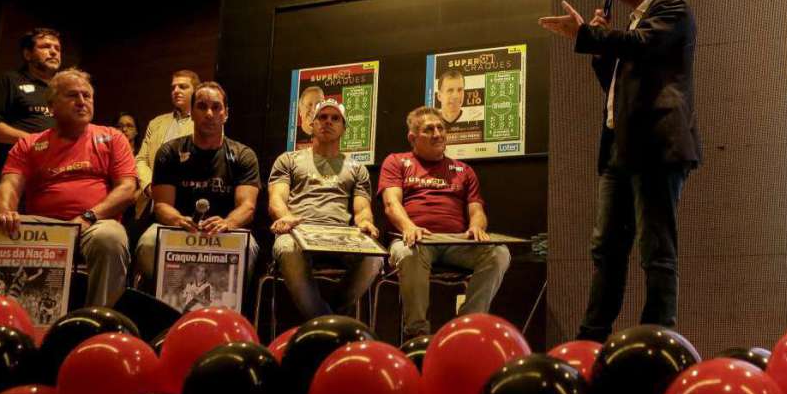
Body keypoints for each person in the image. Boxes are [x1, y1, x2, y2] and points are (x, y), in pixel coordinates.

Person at [539, 0, 701, 342]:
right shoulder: (628, 27)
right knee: (606, 249)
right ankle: (591, 338)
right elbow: (613, 83)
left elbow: (642, 46)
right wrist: (596, 42)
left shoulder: (671, 7)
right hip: (619, 148)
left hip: (656, 146)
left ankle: (656, 337)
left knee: (655, 247)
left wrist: (591, 35)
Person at [0, 68, 136, 307]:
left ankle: (97, 319)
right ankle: (7, 316)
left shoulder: (112, 137)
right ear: (51, 106)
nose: (82, 102)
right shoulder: (30, 144)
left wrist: (88, 216)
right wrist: (5, 211)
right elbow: (9, 185)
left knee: (110, 237)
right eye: (72, 95)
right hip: (44, 226)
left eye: (87, 96)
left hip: (93, 225)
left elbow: (127, 188)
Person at [378, 106, 510, 338]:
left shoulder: (463, 170)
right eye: (429, 129)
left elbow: (476, 209)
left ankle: (467, 326)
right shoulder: (396, 161)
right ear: (412, 137)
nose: (438, 134)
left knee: (499, 254)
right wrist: (409, 226)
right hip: (415, 241)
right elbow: (391, 204)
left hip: (456, 243)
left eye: (441, 128)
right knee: (407, 254)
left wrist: (477, 226)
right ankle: (416, 333)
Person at [135, 81, 260, 285]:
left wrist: (228, 223)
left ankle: (229, 311)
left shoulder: (243, 155)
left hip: (225, 232)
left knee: (249, 247)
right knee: (148, 243)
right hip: (177, 229)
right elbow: (161, 205)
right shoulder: (169, 152)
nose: (209, 113)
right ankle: (165, 304)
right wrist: (178, 220)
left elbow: (247, 207)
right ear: (191, 113)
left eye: (216, 107)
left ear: (225, 113)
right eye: (202, 106)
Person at [269, 98, 382, 320]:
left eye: (335, 118)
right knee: (285, 247)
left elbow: (362, 210)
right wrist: (285, 218)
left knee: (374, 257)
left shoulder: (356, 168)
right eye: (322, 117)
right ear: (312, 123)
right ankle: (329, 322)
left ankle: (326, 318)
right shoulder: (289, 160)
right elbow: (276, 199)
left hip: (341, 236)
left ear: (343, 128)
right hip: (298, 232)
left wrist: (366, 223)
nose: (328, 122)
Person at [0, 28, 62, 214]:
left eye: (57, 48)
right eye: (45, 46)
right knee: (2, 228)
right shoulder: (9, 81)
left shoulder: (62, 90)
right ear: (27, 54)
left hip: (48, 176)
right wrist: (36, 143)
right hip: (7, 172)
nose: (53, 51)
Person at [133, 70, 199, 223]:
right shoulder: (156, 123)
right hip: (149, 203)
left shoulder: (203, 124)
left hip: (184, 204)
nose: (176, 91)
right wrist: (150, 185)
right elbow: (141, 159)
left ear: (196, 91)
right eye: (173, 88)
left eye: (182, 87)